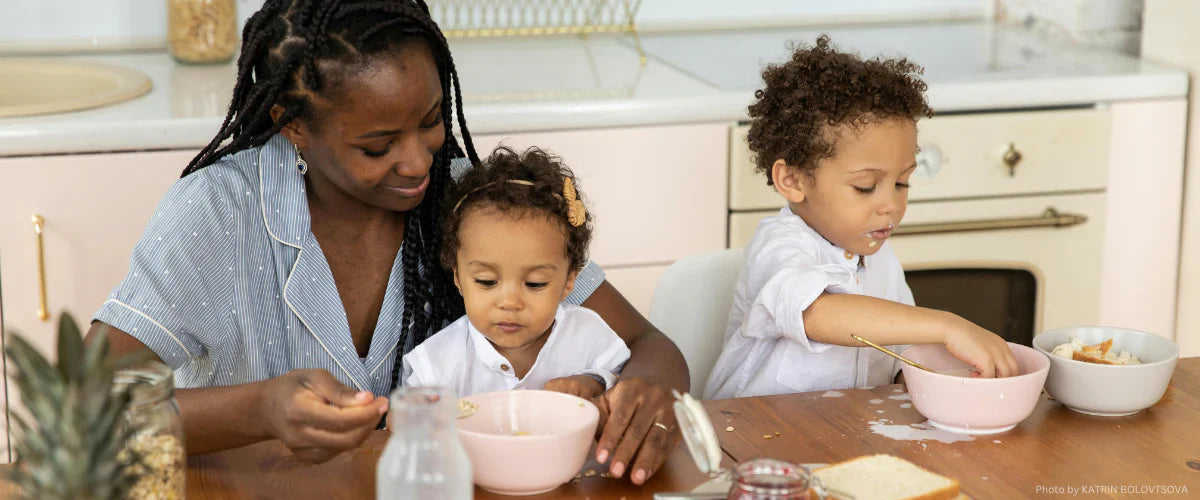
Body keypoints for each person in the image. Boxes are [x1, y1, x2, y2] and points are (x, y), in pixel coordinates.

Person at [86, 0, 686, 484]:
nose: (417, 161)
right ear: (291, 124)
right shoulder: (220, 212)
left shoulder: (471, 205)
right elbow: (84, 407)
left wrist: (650, 391)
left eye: (431, 120)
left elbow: (647, 343)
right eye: (377, 146)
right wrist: (259, 410)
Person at [704, 35, 1019, 400]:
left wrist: (933, 386)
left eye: (902, 183)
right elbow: (816, 314)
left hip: (848, 432)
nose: (891, 205)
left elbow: (900, 352)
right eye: (867, 187)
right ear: (792, 180)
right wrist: (948, 325)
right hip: (749, 437)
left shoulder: (880, 258)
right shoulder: (781, 246)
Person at [403, 146, 630, 399]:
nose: (510, 302)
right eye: (486, 281)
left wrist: (594, 382)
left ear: (569, 280)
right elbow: (408, 420)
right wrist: (414, 415)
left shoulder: (589, 335)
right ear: (458, 278)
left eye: (535, 284)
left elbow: (628, 384)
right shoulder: (438, 362)